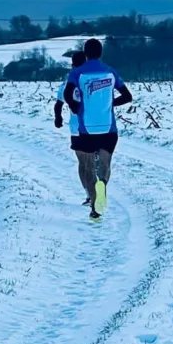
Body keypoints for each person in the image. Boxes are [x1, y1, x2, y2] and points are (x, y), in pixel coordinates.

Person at [64, 38, 133, 220]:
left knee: (87, 168)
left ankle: (95, 205)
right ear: (101, 53)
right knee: (105, 164)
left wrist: (74, 106)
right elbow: (127, 96)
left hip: (86, 129)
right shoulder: (110, 72)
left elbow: (67, 93)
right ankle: (102, 183)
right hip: (109, 129)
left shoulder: (78, 73)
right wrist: (111, 104)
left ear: (85, 53)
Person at [54, 51, 91, 206]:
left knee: (83, 163)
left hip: (77, 129)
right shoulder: (94, 80)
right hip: (96, 127)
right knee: (97, 162)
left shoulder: (67, 83)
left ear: (72, 65)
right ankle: (100, 187)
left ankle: (90, 195)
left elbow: (59, 104)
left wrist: (58, 118)